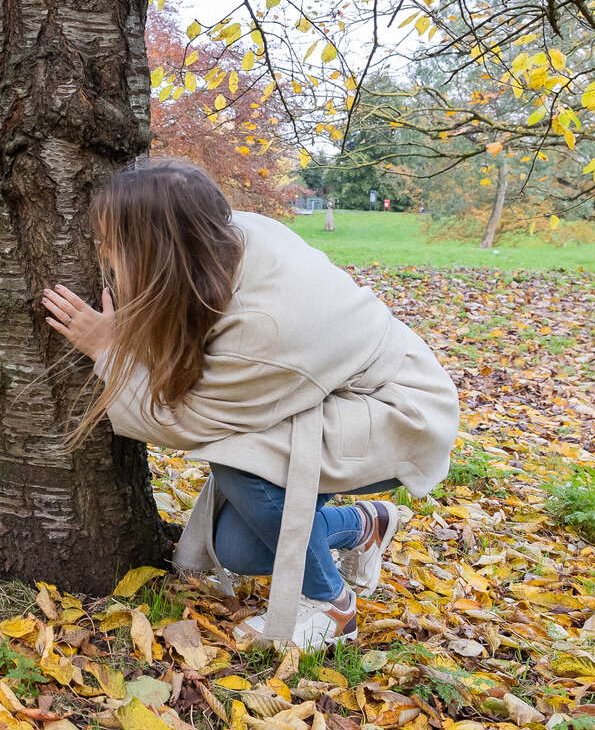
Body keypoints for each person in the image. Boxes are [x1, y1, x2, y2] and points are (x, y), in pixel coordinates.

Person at [41, 160, 459, 650]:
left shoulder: (267, 326)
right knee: (243, 550)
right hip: (332, 397)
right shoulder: (225, 235)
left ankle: (330, 606)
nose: (104, 253)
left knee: (239, 455)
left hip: (396, 413)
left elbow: (190, 422)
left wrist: (108, 352)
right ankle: (365, 525)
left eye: (115, 242)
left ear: (159, 247)